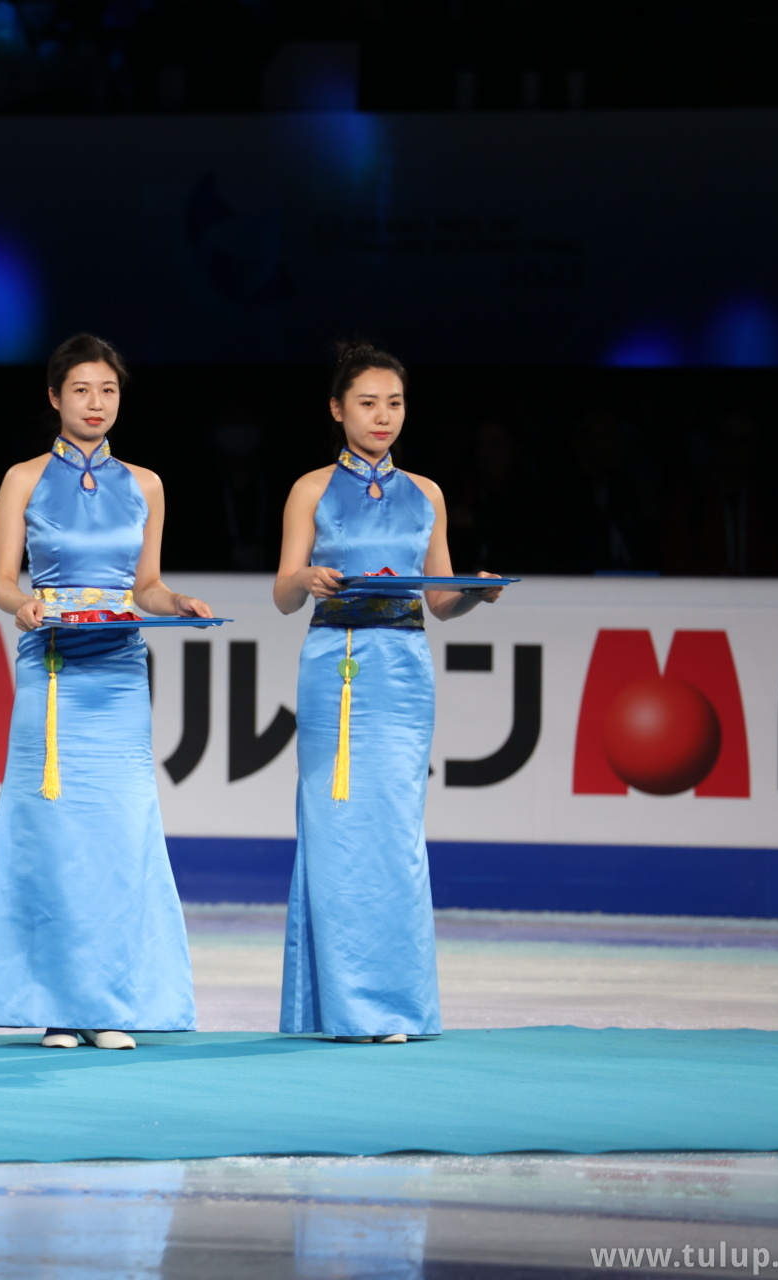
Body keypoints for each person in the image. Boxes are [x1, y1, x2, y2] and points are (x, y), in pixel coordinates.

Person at [0, 334, 209, 1049]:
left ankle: (109, 1003)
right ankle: (59, 1004)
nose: (96, 403)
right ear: (54, 397)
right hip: (53, 667)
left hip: (119, 671)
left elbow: (145, 585)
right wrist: (23, 605)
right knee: (51, 830)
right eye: (82, 390)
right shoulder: (23, 478)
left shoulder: (146, 484)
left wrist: (174, 602)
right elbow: (2, 580)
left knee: (120, 832)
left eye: (108, 391)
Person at [271, 341, 503, 1044]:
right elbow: (283, 594)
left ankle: (396, 1007)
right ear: (336, 409)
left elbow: (438, 600)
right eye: (367, 403)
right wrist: (306, 578)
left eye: (394, 403)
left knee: (397, 831)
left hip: (403, 668)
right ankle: (343, 1008)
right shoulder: (310, 488)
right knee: (336, 827)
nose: (382, 416)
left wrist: (473, 592)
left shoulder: (426, 493)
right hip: (335, 662)